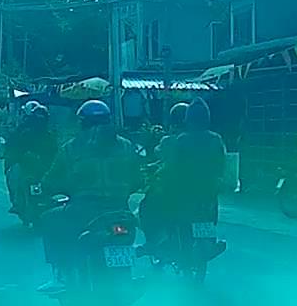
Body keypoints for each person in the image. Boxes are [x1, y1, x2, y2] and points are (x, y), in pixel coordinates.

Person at [37, 100, 142, 294]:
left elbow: (50, 182)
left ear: (82, 122)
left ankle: (61, 275)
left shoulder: (71, 148)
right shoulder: (126, 146)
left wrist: (54, 190)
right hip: (120, 211)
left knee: (48, 218)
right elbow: (138, 180)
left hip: (84, 212)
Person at [141, 98, 226, 255]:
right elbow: (221, 166)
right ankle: (207, 242)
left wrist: (161, 178)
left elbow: (172, 167)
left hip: (184, 192)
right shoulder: (216, 139)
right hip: (209, 194)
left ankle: (156, 243)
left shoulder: (182, 140)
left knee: (153, 205)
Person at [138, 102, 188, 248]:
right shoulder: (207, 139)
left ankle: (152, 242)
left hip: (173, 189)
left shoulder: (170, 140)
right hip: (202, 191)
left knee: (146, 207)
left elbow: (160, 154)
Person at [4, 101, 58, 214]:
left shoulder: (50, 135)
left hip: (44, 168)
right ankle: (17, 202)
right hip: (25, 166)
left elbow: (55, 153)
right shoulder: (21, 132)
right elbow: (13, 149)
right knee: (13, 173)